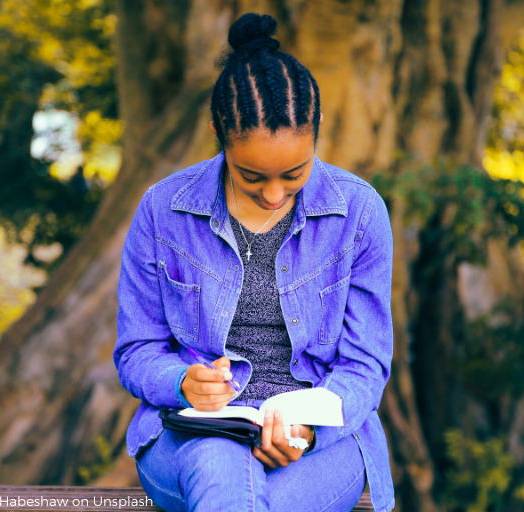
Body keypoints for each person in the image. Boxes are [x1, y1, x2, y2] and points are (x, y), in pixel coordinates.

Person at [114, 13, 394, 512]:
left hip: (320, 443)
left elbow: (366, 363)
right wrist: (181, 382)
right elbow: (137, 350)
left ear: (317, 130)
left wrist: (307, 425)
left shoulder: (359, 212)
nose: (273, 194)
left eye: (294, 174)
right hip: (190, 439)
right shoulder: (163, 210)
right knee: (221, 467)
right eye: (251, 176)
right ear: (218, 130)